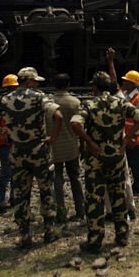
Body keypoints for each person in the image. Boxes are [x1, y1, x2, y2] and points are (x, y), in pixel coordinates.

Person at [0, 67, 63, 248]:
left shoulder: (6, 99)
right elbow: (58, 115)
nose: (37, 84)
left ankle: (25, 236)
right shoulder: (39, 97)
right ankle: (49, 231)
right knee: (46, 191)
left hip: (17, 154)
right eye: (36, 81)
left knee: (20, 194)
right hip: (39, 152)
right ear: (29, 81)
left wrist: (1, 131)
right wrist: (53, 138)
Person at [70, 71, 139, 253]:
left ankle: (95, 241)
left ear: (95, 88)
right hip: (117, 160)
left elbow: (75, 124)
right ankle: (122, 235)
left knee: (95, 200)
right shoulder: (120, 103)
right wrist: (126, 140)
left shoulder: (89, 105)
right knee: (118, 196)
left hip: (95, 161)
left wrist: (89, 143)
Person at [106, 50, 139, 198]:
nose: (123, 82)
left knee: (135, 164)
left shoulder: (137, 99)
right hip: (124, 136)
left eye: (126, 81)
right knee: (126, 163)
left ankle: (137, 188)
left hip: (132, 138)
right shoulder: (124, 94)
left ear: (132, 83)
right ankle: (128, 187)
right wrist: (111, 62)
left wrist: (131, 138)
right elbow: (113, 81)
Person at [49, 73, 85, 222]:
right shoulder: (75, 102)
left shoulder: (49, 102)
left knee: (56, 179)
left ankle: (60, 212)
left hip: (54, 147)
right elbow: (80, 125)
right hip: (71, 146)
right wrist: (82, 145)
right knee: (75, 178)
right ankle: (80, 210)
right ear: (68, 85)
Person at [0, 74, 19, 212]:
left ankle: (13, 198)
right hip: (6, 143)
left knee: (14, 172)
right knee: (7, 173)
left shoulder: (8, 101)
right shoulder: (2, 103)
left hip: (10, 143)